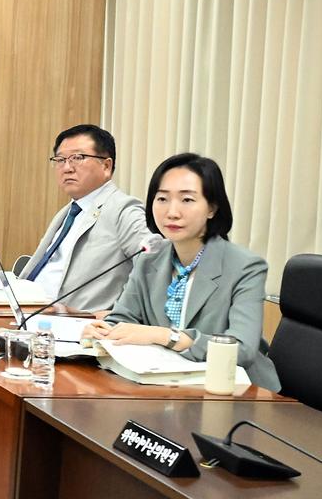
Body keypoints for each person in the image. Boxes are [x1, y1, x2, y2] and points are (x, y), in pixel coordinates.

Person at [85, 153, 280, 390]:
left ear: (212, 208)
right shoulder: (149, 259)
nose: (172, 212)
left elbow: (242, 349)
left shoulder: (246, 266)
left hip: (235, 392)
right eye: (162, 199)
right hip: (164, 385)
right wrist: (104, 330)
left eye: (187, 200)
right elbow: (123, 318)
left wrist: (165, 336)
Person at [22, 124, 152, 311]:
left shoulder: (124, 209)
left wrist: (117, 316)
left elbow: (153, 266)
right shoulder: (70, 211)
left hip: (73, 321)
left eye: (78, 158)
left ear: (106, 166)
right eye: (60, 160)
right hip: (28, 311)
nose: (67, 168)